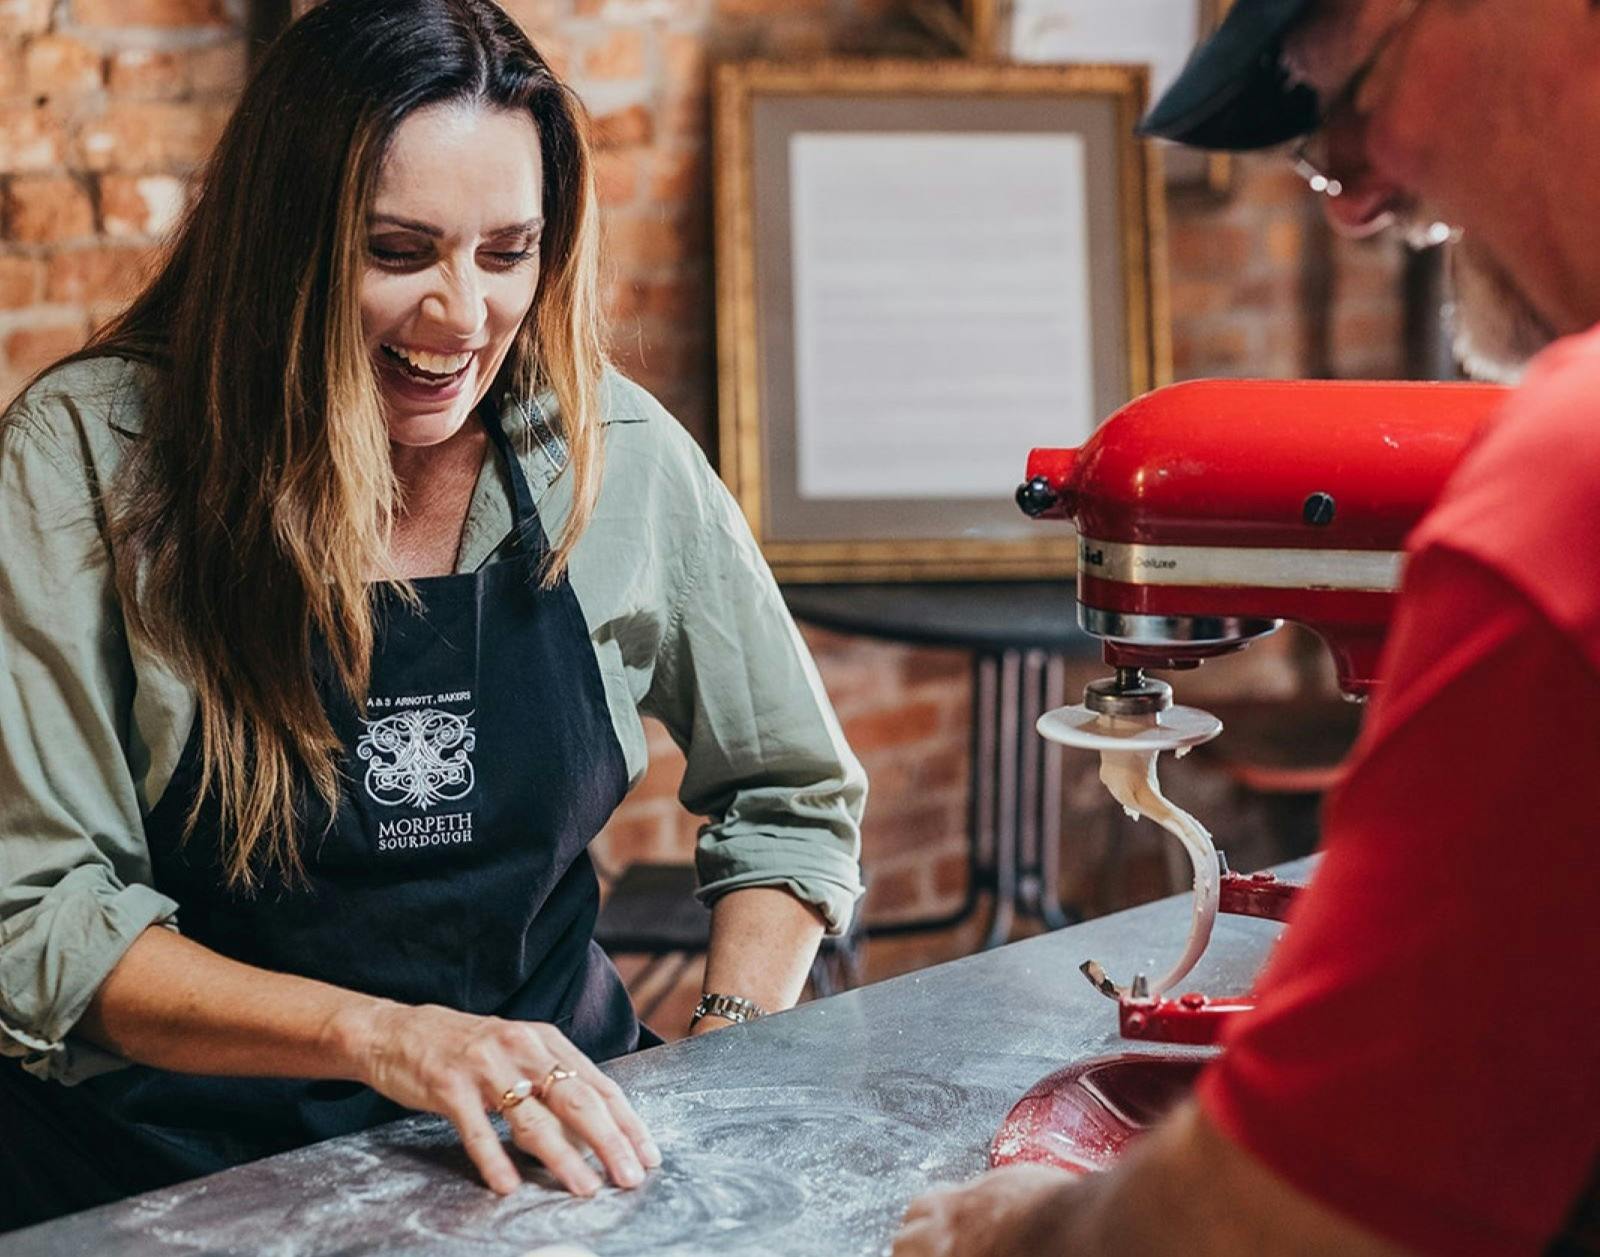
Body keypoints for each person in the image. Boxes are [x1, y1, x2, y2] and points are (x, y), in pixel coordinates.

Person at [0, 0, 865, 1231]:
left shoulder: (607, 450)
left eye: (507, 252)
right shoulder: (88, 461)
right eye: (398, 252)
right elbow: (40, 920)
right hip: (167, 1170)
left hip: (538, 1162)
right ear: (280, 245)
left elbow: (792, 796)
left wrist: (717, 1061)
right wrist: (386, 1040)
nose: (462, 319)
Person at [894, 0, 1600, 1253]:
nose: (1349, 202)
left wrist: (1028, 1235)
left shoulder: (1569, 489)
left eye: (1352, 100)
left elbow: (1284, 1221)